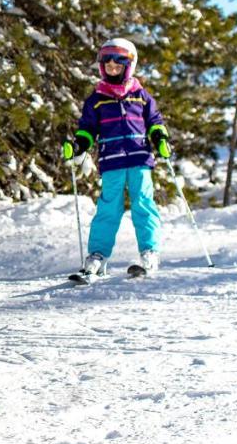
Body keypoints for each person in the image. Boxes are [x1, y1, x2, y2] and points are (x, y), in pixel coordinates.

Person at [62, 37, 171, 279]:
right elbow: (87, 129)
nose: (112, 70)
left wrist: (160, 139)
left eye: (117, 66)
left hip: (139, 159)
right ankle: (98, 257)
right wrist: (78, 145)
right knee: (108, 207)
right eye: (108, 66)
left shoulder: (141, 96)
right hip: (112, 161)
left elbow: (155, 121)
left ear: (128, 67)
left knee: (143, 204)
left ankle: (150, 252)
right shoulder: (97, 99)